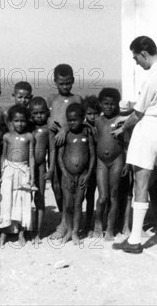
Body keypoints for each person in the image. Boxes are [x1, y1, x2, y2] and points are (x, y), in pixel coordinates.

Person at [112, 36, 157, 255]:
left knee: (140, 185)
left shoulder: (152, 76)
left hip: (149, 128)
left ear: (144, 53)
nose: (136, 62)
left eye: (136, 58)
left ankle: (134, 241)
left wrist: (123, 126)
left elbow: (139, 112)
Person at [47, 64, 82, 239]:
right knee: (55, 185)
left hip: (69, 147)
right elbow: (45, 117)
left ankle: (64, 223)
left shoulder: (77, 98)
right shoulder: (51, 99)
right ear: (55, 82)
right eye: (62, 83)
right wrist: (48, 122)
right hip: (53, 147)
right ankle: (64, 218)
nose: (65, 86)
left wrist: (65, 129)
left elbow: (81, 121)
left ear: (73, 81)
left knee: (68, 185)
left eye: (68, 83)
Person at [0, 105, 36, 247]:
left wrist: (32, 176)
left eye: (22, 121)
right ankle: (4, 231)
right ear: (11, 122)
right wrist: (2, 173)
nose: (20, 124)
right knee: (6, 200)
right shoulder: (7, 136)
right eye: (16, 121)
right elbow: (3, 155)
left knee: (22, 201)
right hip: (8, 170)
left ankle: (21, 231)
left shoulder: (29, 137)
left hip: (23, 170)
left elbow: (31, 157)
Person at [58, 103, 96, 245]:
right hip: (67, 175)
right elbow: (59, 157)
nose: (72, 123)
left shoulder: (87, 133)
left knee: (78, 204)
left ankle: (75, 232)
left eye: (75, 120)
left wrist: (87, 175)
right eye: (69, 120)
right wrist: (66, 175)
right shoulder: (66, 134)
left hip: (82, 175)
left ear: (82, 119)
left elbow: (92, 156)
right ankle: (68, 230)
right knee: (68, 205)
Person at [92, 88, 126, 241]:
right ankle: (98, 223)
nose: (109, 107)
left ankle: (110, 228)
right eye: (106, 104)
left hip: (117, 160)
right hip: (101, 162)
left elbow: (126, 143)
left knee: (113, 196)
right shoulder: (98, 121)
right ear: (100, 104)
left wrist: (128, 163)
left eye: (112, 104)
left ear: (117, 105)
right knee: (102, 197)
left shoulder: (121, 120)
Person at [30, 96, 53, 243]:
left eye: (42, 113)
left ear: (47, 112)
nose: (39, 116)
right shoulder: (28, 128)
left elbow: (51, 150)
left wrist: (50, 169)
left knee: (39, 198)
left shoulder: (47, 129)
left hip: (41, 167)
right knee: (25, 199)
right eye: (35, 113)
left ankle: (37, 232)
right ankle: (24, 230)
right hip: (26, 167)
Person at [82, 95, 100, 234]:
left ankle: (99, 221)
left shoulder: (101, 125)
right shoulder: (83, 127)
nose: (93, 116)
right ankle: (88, 222)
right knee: (89, 195)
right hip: (87, 166)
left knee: (103, 195)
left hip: (101, 164)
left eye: (95, 113)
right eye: (89, 114)